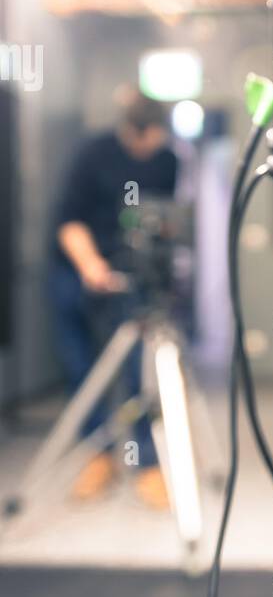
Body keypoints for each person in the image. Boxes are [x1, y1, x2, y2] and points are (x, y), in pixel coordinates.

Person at [50, 89, 178, 507]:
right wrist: (90, 266)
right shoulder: (92, 155)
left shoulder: (167, 161)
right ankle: (98, 456)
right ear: (130, 129)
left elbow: (164, 217)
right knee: (83, 369)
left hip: (132, 274)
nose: (150, 148)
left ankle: (146, 461)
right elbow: (68, 220)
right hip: (79, 268)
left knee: (139, 372)